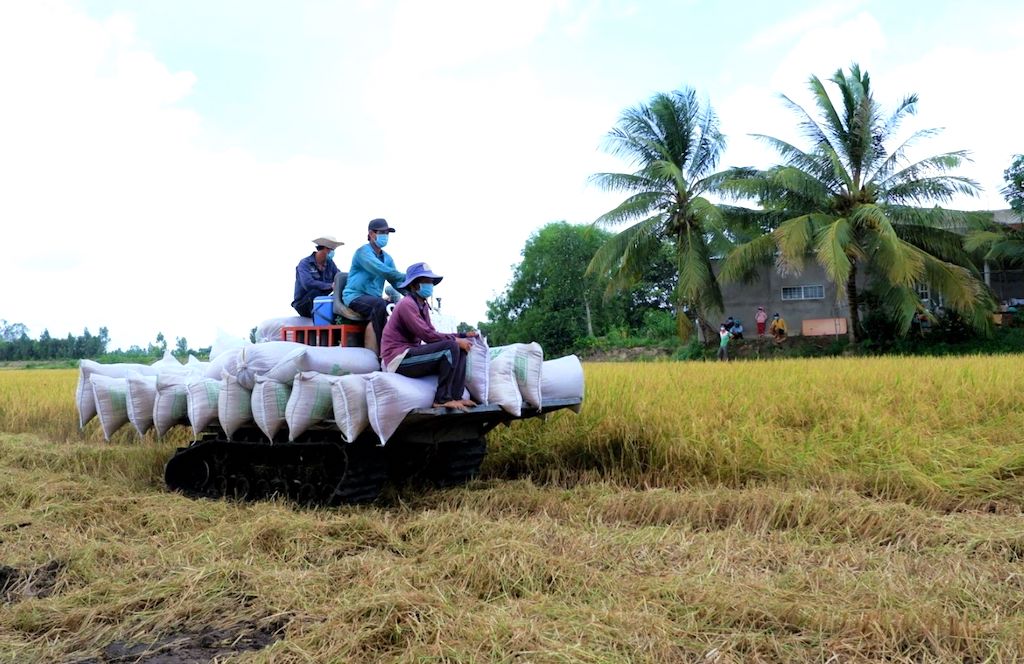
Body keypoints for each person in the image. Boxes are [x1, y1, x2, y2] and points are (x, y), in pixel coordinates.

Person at [380, 262, 477, 410]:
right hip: (398, 358)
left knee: (461, 349)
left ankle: (456, 396)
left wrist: (463, 335)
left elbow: (433, 332)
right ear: (414, 286)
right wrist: (456, 340)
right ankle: (442, 399)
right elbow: (428, 336)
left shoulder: (423, 305)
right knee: (451, 347)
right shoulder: (407, 304)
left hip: (412, 353)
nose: (429, 285)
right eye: (425, 281)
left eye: (430, 282)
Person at [343, 218, 406, 351]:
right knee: (379, 305)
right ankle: (385, 351)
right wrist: (409, 277)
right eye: (382, 232)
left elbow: (396, 281)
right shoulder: (363, 253)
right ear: (371, 234)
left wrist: (413, 294)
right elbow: (381, 270)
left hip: (374, 299)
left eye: (387, 233)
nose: (386, 236)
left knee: (398, 308)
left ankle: (403, 347)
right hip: (355, 296)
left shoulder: (388, 258)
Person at [292, 236, 343, 318]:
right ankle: (320, 317)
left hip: (322, 301)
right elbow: (307, 283)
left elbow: (339, 277)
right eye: (330, 249)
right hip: (304, 303)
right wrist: (330, 286)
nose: (332, 252)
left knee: (340, 295)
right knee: (315, 292)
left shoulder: (330, 264)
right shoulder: (305, 263)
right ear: (323, 249)